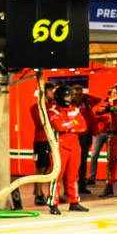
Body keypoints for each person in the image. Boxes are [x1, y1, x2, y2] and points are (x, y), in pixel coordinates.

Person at [45, 85, 89, 215]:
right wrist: (73, 123)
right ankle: (53, 203)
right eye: (67, 96)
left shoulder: (74, 109)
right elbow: (59, 126)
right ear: (61, 97)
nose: (70, 98)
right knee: (56, 175)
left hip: (75, 145)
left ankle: (74, 202)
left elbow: (83, 126)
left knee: (73, 175)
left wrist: (69, 124)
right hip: (59, 146)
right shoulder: (53, 110)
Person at [30, 82, 56, 206]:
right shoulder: (35, 107)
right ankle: (38, 193)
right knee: (40, 167)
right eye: (51, 91)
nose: (53, 93)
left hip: (51, 140)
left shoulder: (53, 105)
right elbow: (40, 124)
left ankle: (48, 192)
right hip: (40, 141)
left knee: (50, 167)